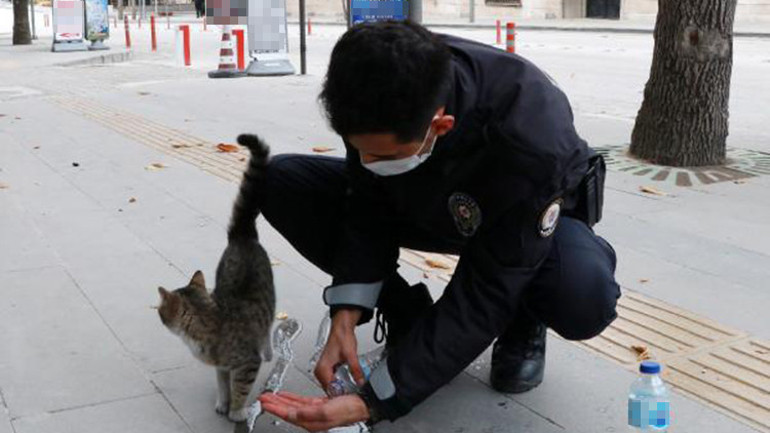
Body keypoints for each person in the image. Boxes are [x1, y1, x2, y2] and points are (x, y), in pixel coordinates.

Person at [258, 20, 620, 431]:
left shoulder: (531, 136)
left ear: (440, 125)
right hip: (435, 202)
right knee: (280, 181)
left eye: (381, 156)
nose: (368, 165)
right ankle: (405, 312)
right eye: (361, 151)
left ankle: (525, 317)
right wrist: (346, 313)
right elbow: (366, 207)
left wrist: (374, 401)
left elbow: (485, 291)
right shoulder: (371, 82)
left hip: (518, 220)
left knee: (582, 296)